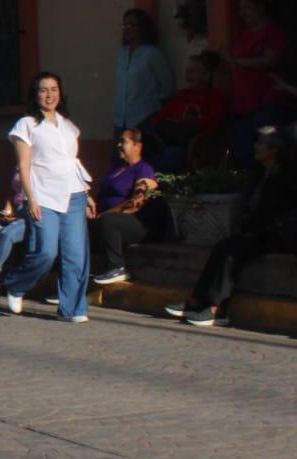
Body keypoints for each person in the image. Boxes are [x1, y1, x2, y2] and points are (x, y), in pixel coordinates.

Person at [165, 127, 297, 327]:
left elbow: (276, 211)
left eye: (260, 143)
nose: (255, 147)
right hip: (256, 231)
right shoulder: (260, 173)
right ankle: (197, 300)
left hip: (275, 234)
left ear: (274, 150)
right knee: (222, 246)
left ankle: (217, 308)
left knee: (231, 253)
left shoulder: (286, 177)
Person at [2, 72, 95, 321]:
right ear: (35, 94)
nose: (49, 95)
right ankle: (16, 284)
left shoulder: (68, 126)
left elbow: (72, 162)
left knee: (76, 254)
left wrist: (87, 194)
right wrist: (30, 199)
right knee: (45, 252)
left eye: (54, 89)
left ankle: (73, 308)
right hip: (42, 196)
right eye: (43, 90)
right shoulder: (26, 125)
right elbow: (23, 166)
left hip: (73, 194)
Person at [89, 129, 161, 286]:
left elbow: (137, 202)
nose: (119, 145)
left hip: (133, 223)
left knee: (108, 221)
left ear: (137, 146)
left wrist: (105, 214)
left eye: (124, 142)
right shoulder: (116, 170)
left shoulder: (144, 169)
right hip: (103, 219)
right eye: (119, 142)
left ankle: (117, 267)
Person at [227, 0, 290, 164]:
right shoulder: (244, 35)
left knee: (269, 151)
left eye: (246, 8)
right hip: (243, 105)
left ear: (261, 8)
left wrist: (237, 61)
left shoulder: (272, 33)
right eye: (240, 9)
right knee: (244, 152)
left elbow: (271, 59)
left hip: (267, 102)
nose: (242, 13)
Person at [144, 53, 228, 170]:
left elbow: (216, 123)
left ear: (207, 75)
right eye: (188, 71)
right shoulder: (181, 95)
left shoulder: (214, 98)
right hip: (167, 141)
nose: (188, 75)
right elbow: (160, 117)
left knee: (171, 155)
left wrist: (185, 122)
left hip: (194, 149)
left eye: (194, 71)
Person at [113, 9, 174, 133]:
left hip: (144, 118)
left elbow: (167, 85)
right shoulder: (122, 53)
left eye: (132, 25)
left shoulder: (152, 53)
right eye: (125, 25)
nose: (127, 28)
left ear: (143, 27)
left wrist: (151, 103)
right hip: (120, 119)